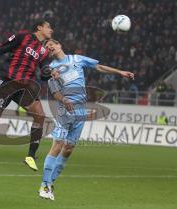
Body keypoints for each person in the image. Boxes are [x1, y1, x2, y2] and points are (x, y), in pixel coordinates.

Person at [39, 39, 134, 200]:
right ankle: (44, 185)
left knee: (68, 150)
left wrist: (120, 72)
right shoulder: (51, 69)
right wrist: (64, 100)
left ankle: (51, 183)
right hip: (65, 109)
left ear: (59, 45)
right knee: (58, 145)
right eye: (47, 49)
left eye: (51, 46)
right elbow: (55, 92)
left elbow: (99, 66)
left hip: (81, 109)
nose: (49, 49)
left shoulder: (77, 59)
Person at [0, 20, 53, 171]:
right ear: (39, 27)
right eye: (48, 27)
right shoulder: (23, 36)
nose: (51, 30)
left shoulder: (44, 51)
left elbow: (44, 73)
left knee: (40, 116)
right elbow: (1, 49)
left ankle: (30, 156)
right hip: (7, 82)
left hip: (25, 86)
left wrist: (50, 73)